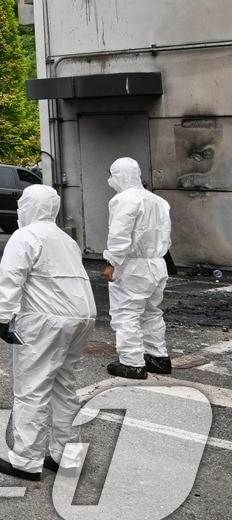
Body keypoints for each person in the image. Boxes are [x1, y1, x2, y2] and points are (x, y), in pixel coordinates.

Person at [0, 184, 96, 479]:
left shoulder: (25, 236)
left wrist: (3, 316)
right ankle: (66, 455)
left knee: (31, 388)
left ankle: (26, 460)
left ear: (30, 206)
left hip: (46, 319)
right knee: (64, 387)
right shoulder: (66, 239)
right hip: (82, 316)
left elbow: (12, 276)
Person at [103, 157, 172, 379]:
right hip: (158, 263)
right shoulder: (158, 201)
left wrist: (111, 263)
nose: (110, 181)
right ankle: (157, 357)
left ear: (119, 175)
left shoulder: (123, 200)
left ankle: (132, 362)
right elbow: (166, 236)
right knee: (152, 312)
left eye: (113, 175)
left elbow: (119, 236)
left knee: (126, 314)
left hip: (133, 265)